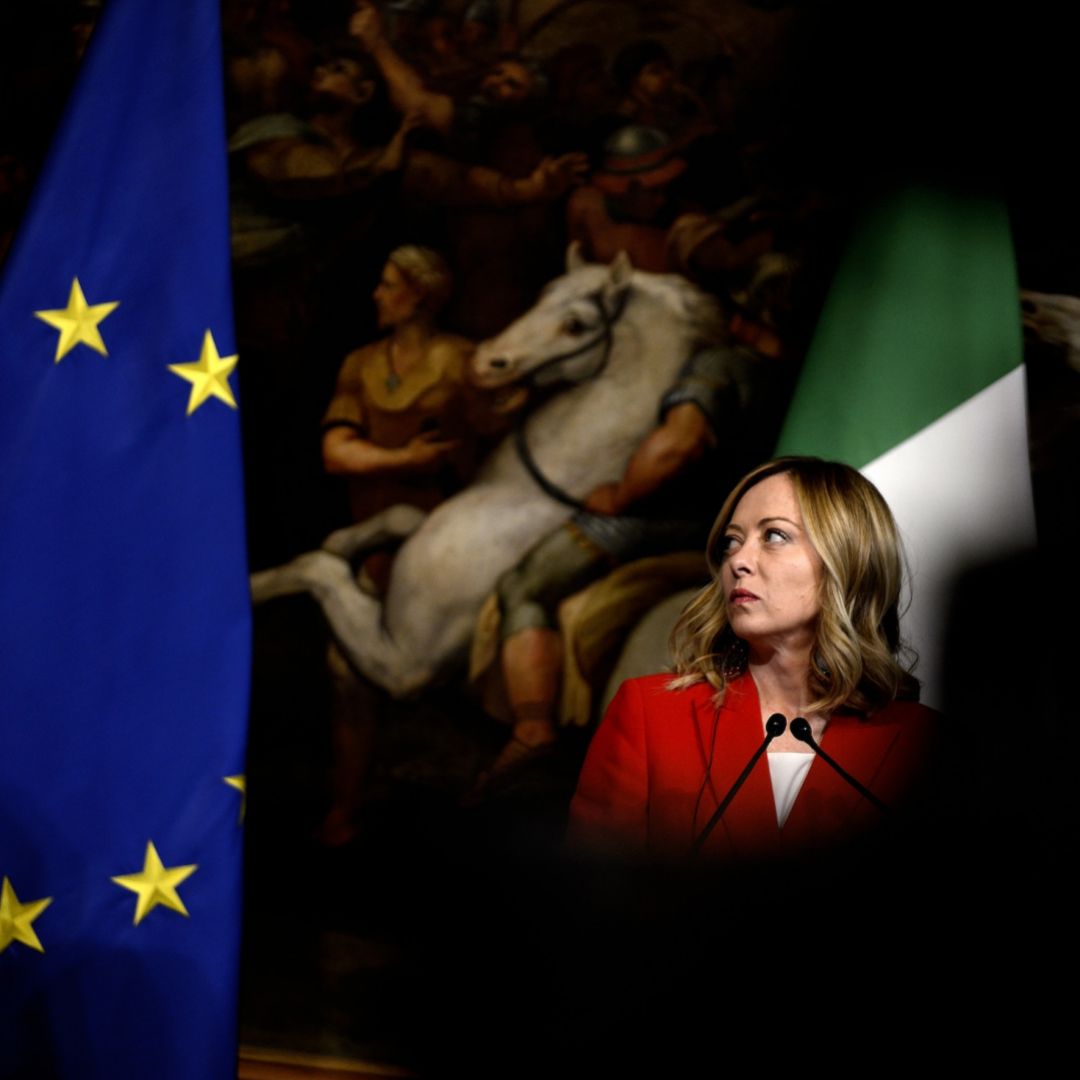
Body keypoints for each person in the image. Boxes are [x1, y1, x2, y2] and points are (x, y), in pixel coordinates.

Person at [568, 456, 939, 860]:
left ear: (848, 558)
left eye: (775, 536)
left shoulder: (925, 745)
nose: (739, 561)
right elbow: (592, 902)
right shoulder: (649, 714)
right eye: (731, 541)